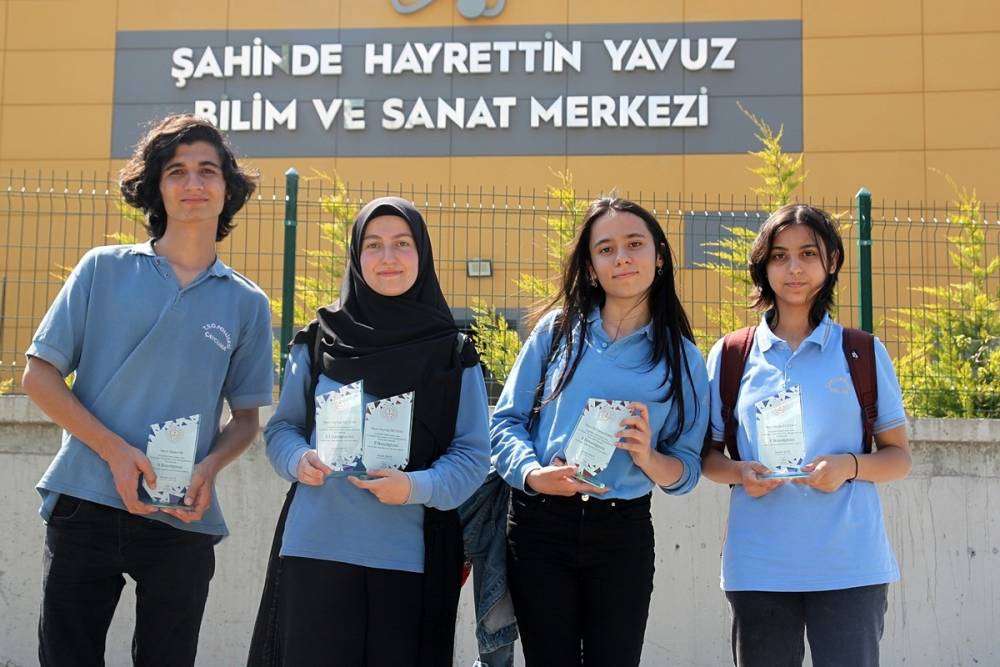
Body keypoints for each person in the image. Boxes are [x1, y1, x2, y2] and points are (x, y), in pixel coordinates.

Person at [22, 114, 274, 666]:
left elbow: (246, 420)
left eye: (207, 170)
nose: (193, 183)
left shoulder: (247, 303)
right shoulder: (102, 270)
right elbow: (38, 376)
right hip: (85, 500)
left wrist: (210, 467)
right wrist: (115, 452)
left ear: (227, 188)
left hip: (181, 514)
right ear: (156, 187)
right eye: (176, 171)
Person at [250, 197, 490, 667]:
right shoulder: (318, 340)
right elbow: (281, 430)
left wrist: (415, 486)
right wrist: (298, 459)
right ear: (356, 257)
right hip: (314, 550)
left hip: (409, 559)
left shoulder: (453, 353)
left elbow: (472, 456)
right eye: (373, 245)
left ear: (422, 255)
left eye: (402, 244)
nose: (388, 257)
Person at [490, 197, 708, 667]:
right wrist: (533, 474)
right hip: (540, 527)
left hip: (622, 533)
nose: (622, 258)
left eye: (634, 244)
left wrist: (649, 457)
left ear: (660, 256)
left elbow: (687, 469)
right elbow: (505, 423)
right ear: (590, 267)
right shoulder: (557, 331)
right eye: (606, 249)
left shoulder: (685, 360)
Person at [701, 204, 911, 667]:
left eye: (808, 253)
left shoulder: (862, 352)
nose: (793, 268)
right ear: (763, 266)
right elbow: (708, 458)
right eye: (779, 256)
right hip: (759, 569)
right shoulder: (732, 354)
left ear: (831, 261)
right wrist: (740, 472)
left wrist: (848, 467)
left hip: (850, 567)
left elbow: (898, 458)